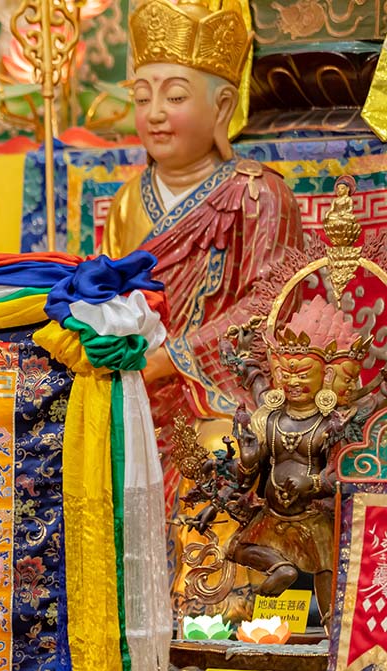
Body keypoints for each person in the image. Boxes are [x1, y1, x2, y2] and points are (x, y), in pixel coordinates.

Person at [99, 0, 305, 514]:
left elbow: (271, 308)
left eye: (174, 96)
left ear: (222, 107)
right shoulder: (127, 201)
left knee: (218, 458)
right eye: (142, 97)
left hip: (224, 393)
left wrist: (173, 358)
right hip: (135, 385)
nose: (154, 113)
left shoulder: (259, 195)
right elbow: (105, 294)